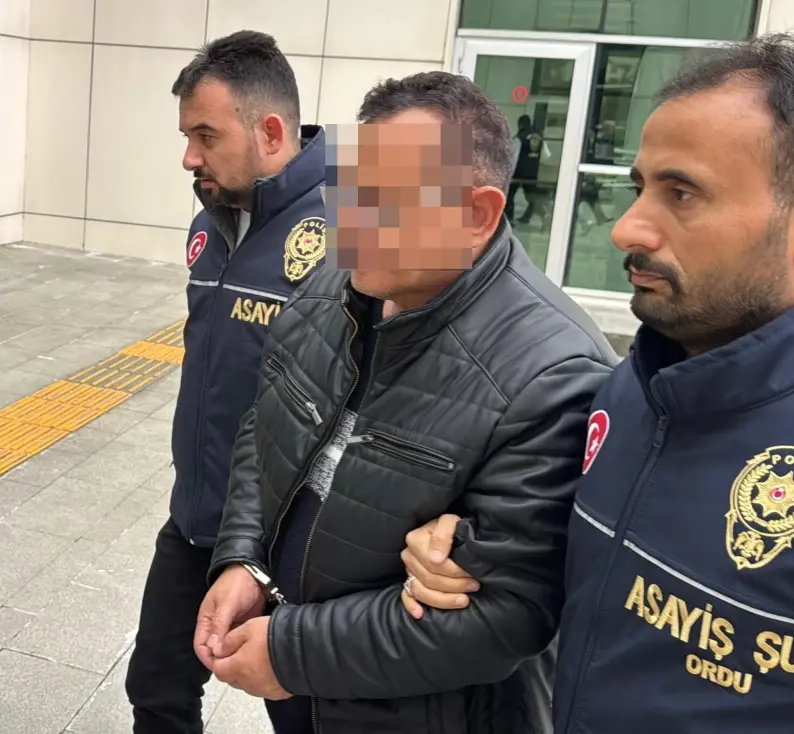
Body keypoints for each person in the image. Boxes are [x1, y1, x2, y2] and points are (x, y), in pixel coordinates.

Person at [401, 33, 794, 732]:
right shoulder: (631, 392)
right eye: (639, 188)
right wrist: (466, 550)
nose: (626, 229)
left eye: (682, 193)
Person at [194, 70, 616, 734]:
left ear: (477, 216)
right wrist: (245, 557)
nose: (347, 220)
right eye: (346, 190)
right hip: (302, 687)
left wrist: (292, 651)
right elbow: (266, 424)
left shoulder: (554, 375)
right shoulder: (337, 280)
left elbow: (505, 616)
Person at [124, 30, 326, 734]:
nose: (189, 157)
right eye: (187, 136)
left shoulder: (354, 226)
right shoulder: (210, 223)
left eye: (205, 136)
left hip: (295, 539)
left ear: (270, 132)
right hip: (198, 517)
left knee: (303, 715)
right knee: (156, 688)